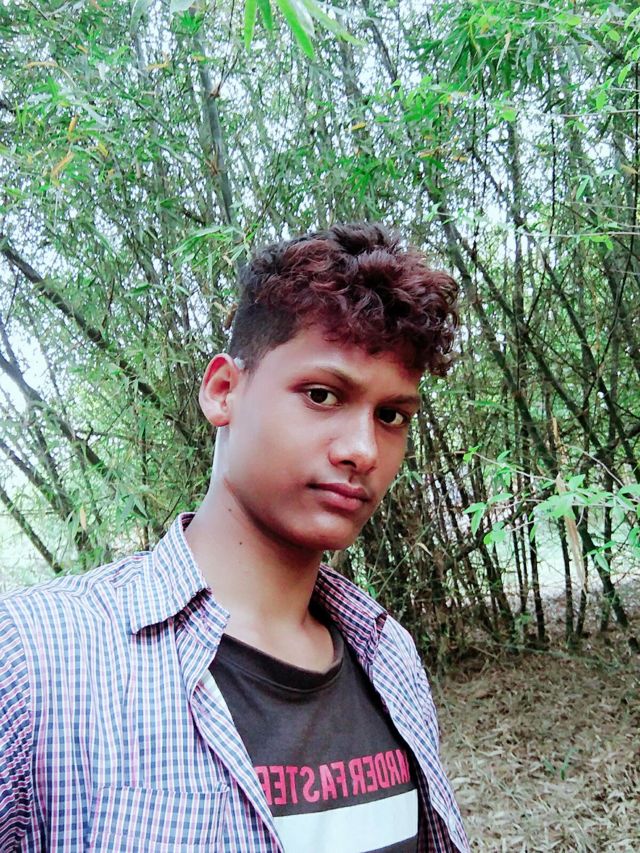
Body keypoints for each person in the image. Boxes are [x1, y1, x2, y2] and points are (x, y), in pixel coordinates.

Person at [0, 223, 469, 852]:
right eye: (322, 395)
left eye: (391, 416)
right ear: (224, 391)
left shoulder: (390, 658)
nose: (363, 450)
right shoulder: (37, 662)